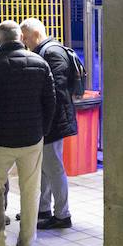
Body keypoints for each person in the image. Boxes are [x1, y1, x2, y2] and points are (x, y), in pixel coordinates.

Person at [0, 20, 55, 246]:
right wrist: (42, 130)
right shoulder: (40, 63)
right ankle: (27, 242)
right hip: (31, 140)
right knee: (31, 190)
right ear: (20, 37)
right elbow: (50, 101)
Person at [21, 18, 78, 229]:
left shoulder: (52, 53)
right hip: (48, 120)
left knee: (54, 168)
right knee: (45, 167)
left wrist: (45, 118)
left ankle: (63, 215)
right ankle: (43, 209)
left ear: (35, 34)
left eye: (26, 37)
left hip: (53, 122)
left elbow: (56, 91)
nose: (24, 42)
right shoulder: (45, 51)